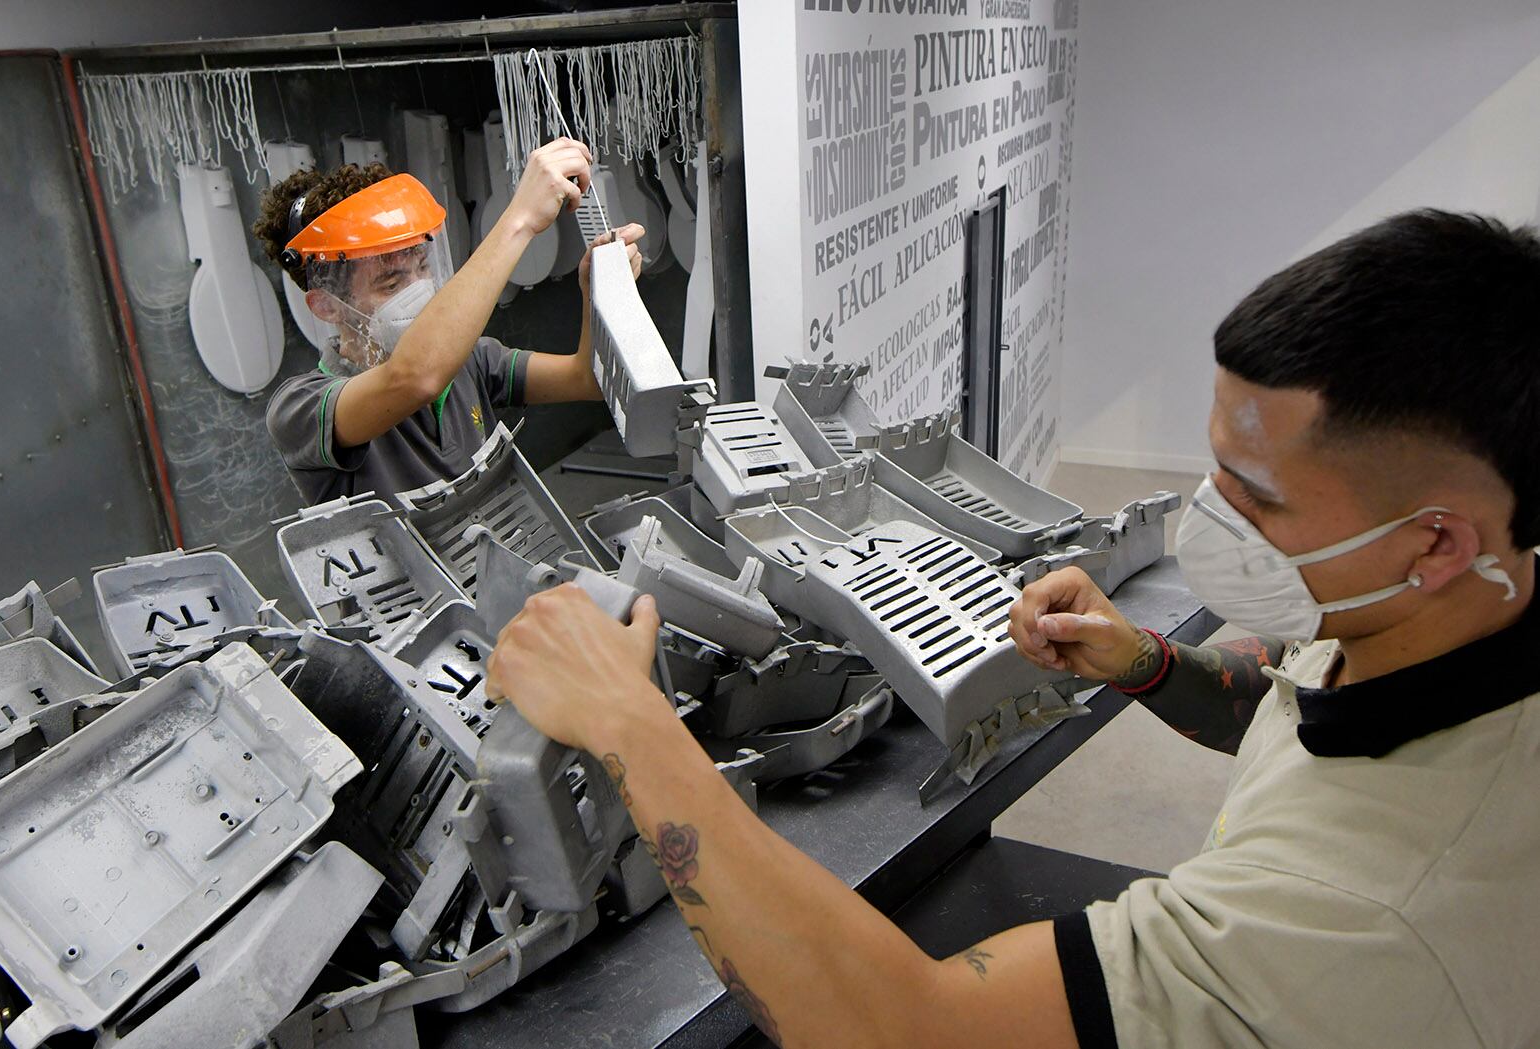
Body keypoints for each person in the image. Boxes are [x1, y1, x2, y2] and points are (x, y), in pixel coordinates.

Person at [481, 209, 1540, 1048]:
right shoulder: (1446, 610)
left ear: (1436, 538)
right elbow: (1301, 710)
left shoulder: (1350, 910)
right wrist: (1146, 658)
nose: (1212, 515)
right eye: (1206, 468)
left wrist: (635, 727)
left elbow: (899, 1026)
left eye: (1257, 497)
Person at [252, 137, 643, 504]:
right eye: (391, 283)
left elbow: (588, 378)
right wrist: (519, 220)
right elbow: (415, 378)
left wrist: (599, 292)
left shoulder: (470, 361)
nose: (419, 289)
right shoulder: (299, 409)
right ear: (325, 306)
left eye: (422, 267)